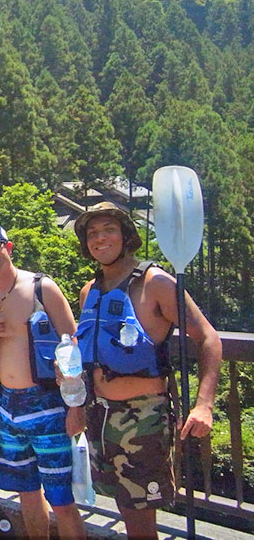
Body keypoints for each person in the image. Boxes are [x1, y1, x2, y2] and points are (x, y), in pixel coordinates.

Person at [73, 202, 222, 539]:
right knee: (126, 511)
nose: (100, 238)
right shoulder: (89, 291)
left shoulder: (155, 283)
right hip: (100, 416)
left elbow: (209, 339)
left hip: (144, 418)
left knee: (141, 523)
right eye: (92, 233)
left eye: (108, 229)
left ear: (125, 235)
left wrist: (204, 404)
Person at [0, 221, 86, 539]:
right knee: (27, 493)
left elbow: (73, 345)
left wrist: (76, 406)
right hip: (7, 408)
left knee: (62, 499)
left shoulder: (42, 287)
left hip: (48, 405)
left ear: (7, 247)